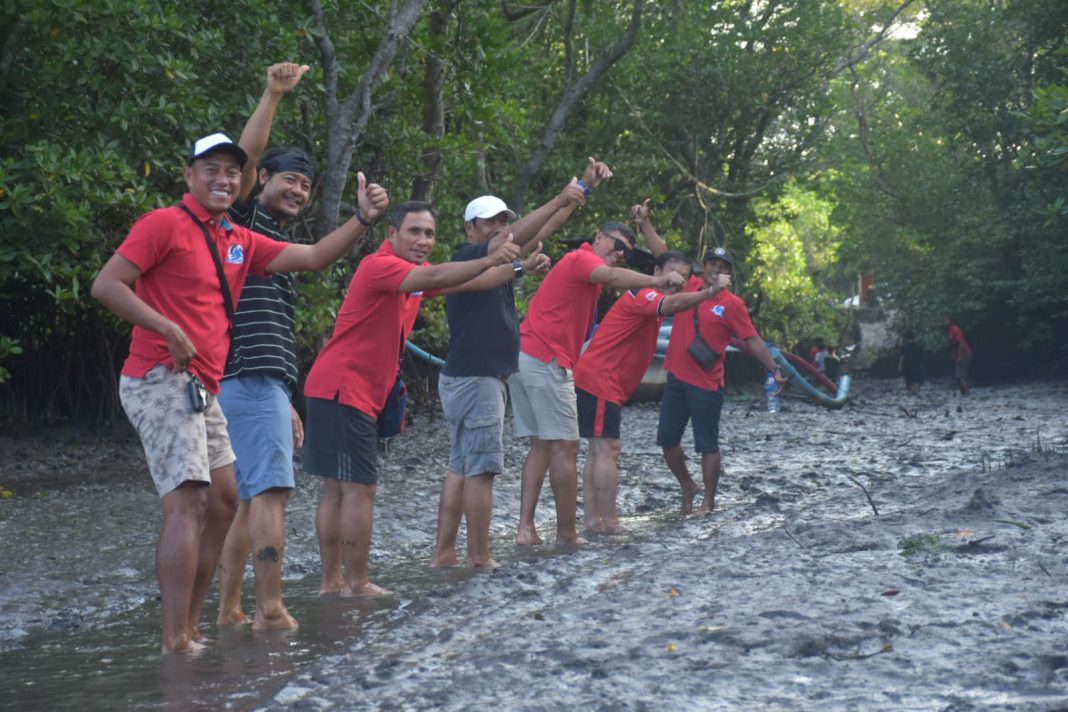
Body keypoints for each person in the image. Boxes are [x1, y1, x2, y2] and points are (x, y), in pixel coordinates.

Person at [91, 132, 389, 653]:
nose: (223, 179)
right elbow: (107, 284)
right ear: (189, 176)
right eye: (211, 169)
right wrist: (166, 327)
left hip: (203, 386)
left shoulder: (238, 238)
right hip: (158, 376)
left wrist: (361, 219)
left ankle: (192, 624)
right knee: (189, 502)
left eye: (231, 171)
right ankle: (174, 639)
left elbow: (316, 256)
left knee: (227, 500)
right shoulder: (164, 223)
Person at [302, 201, 520, 597]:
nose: (423, 241)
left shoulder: (410, 276)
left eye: (430, 234)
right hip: (344, 388)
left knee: (337, 489)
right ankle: (356, 584)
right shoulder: (380, 265)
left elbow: (468, 283)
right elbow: (442, 273)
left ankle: (333, 583)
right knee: (357, 490)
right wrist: (490, 255)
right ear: (391, 235)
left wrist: (516, 266)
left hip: (339, 388)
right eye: (414, 232)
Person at [430, 160, 609, 569]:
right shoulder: (469, 254)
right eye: (490, 223)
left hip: (471, 376)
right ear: (470, 229)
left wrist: (579, 192)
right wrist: (561, 196)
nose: (499, 229)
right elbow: (520, 235)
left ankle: (444, 555)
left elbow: (539, 232)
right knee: (481, 471)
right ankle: (480, 558)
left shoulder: (496, 263)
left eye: (503, 221)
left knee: (461, 467)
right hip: (476, 379)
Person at [210, 62, 325, 632]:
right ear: (264, 184)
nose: (298, 191)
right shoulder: (245, 221)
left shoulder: (275, 243)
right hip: (249, 380)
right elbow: (246, 162)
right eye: (289, 181)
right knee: (272, 495)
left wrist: (291, 401)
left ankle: (231, 610)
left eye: (306, 186)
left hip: (260, 382)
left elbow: (277, 330)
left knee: (250, 502)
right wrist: (272, 95)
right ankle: (270, 609)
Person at [509, 222, 686, 547]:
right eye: (616, 245)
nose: (619, 254)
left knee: (543, 446)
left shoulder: (582, 265)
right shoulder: (583, 260)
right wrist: (660, 281)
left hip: (525, 354)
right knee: (570, 448)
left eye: (625, 252)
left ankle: (526, 529)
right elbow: (614, 278)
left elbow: (665, 264)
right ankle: (568, 534)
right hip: (548, 357)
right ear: (599, 237)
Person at [631, 200, 784, 515]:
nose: (716, 269)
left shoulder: (733, 304)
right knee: (667, 442)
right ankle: (688, 483)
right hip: (675, 379)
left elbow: (752, 339)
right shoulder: (694, 286)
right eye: (712, 264)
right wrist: (645, 223)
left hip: (707, 383)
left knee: (707, 444)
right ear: (705, 267)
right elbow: (664, 256)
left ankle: (708, 501)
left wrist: (774, 369)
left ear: (729, 273)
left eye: (723, 266)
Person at [573, 250, 730, 533]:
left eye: (683, 276)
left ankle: (593, 521)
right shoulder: (643, 293)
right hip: (600, 379)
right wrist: (709, 292)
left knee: (598, 451)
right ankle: (607, 522)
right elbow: (672, 304)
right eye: (671, 273)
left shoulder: (653, 295)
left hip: (602, 380)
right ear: (656, 272)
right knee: (607, 449)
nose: (677, 280)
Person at [943, 316, 972, 394]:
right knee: (959, 376)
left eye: (946, 320)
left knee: (962, 376)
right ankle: (964, 392)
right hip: (958, 355)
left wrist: (959, 356)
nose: (944, 322)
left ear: (951, 321)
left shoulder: (956, 330)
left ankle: (966, 392)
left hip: (965, 354)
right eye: (944, 320)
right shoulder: (949, 331)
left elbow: (961, 343)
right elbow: (952, 345)